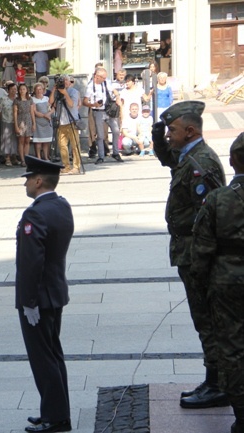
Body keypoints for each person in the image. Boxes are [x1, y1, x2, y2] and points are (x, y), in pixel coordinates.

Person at [152, 100, 228, 409]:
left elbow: (208, 218)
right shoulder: (189, 156)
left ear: (190, 130)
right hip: (189, 252)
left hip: (196, 255)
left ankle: (218, 383)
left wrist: (201, 261)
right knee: (204, 320)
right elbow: (167, 158)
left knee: (208, 320)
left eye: (172, 130)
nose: (169, 135)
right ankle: (214, 379)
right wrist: (158, 135)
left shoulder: (200, 164)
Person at [16, 156, 74, 433]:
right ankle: (55, 412)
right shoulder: (61, 206)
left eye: (28, 178)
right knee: (53, 355)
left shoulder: (35, 213)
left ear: (39, 181)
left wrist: (28, 302)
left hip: (38, 297)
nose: (26, 182)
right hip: (55, 292)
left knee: (43, 359)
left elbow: (31, 262)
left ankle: (56, 419)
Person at [191, 133, 244, 433]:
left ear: (233, 161)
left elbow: (201, 250)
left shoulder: (218, 198)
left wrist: (202, 283)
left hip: (226, 283)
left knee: (233, 349)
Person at [82, 67, 123, 164]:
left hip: (109, 110)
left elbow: (114, 90)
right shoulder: (90, 87)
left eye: (105, 77)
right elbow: (84, 102)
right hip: (98, 111)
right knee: (100, 135)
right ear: (97, 76)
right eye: (103, 78)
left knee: (116, 131)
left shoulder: (106, 82)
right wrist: (93, 105)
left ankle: (115, 152)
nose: (105, 79)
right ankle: (101, 156)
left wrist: (117, 97)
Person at [49, 75, 81, 174]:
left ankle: (76, 167)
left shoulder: (74, 92)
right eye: (63, 81)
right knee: (62, 145)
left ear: (70, 82)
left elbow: (71, 105)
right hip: (61, 122)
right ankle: (66, 166)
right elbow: (51, 103)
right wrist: (54, 90)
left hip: (71, 121)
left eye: (66, 80)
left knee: (75, 145)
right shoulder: (58, 92)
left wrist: (65, 93)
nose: (65, 82)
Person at [31, 83, 53, 161]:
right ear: (34, 90)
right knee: (38, 141)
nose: (38, 91)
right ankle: (39, 157)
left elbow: (52, 108)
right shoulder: (32, 99)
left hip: (47, 122)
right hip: (38, 122)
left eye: (40, 89)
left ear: (43, 90)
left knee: (46, 141)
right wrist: (44, 115)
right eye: (37, 89)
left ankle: (46, 156)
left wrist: (49, 114)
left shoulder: (47, 98)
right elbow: (34, 111)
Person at [14, 83, 34, 166]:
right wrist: (16, 125)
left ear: (26, 90)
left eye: (24, 89)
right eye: (21, 89)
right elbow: (15, 113)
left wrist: (34, 123)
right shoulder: (17, 100)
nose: (22, 91)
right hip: (20, 120)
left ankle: (27, 158)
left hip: (28, 120)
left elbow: (32, 112)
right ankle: (22, 160)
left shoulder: (30, 100)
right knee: (21, 141)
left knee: (27, 140)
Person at [0, 82, 18, 166]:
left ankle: (14, 156)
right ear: (8, 90)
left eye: (15, 89)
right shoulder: (3, 99)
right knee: (6, 140)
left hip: (17, 122)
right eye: (12, 89)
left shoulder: (18, 99)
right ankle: (7, 158)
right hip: (6, 121)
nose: (14, 91)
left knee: (15, 139)